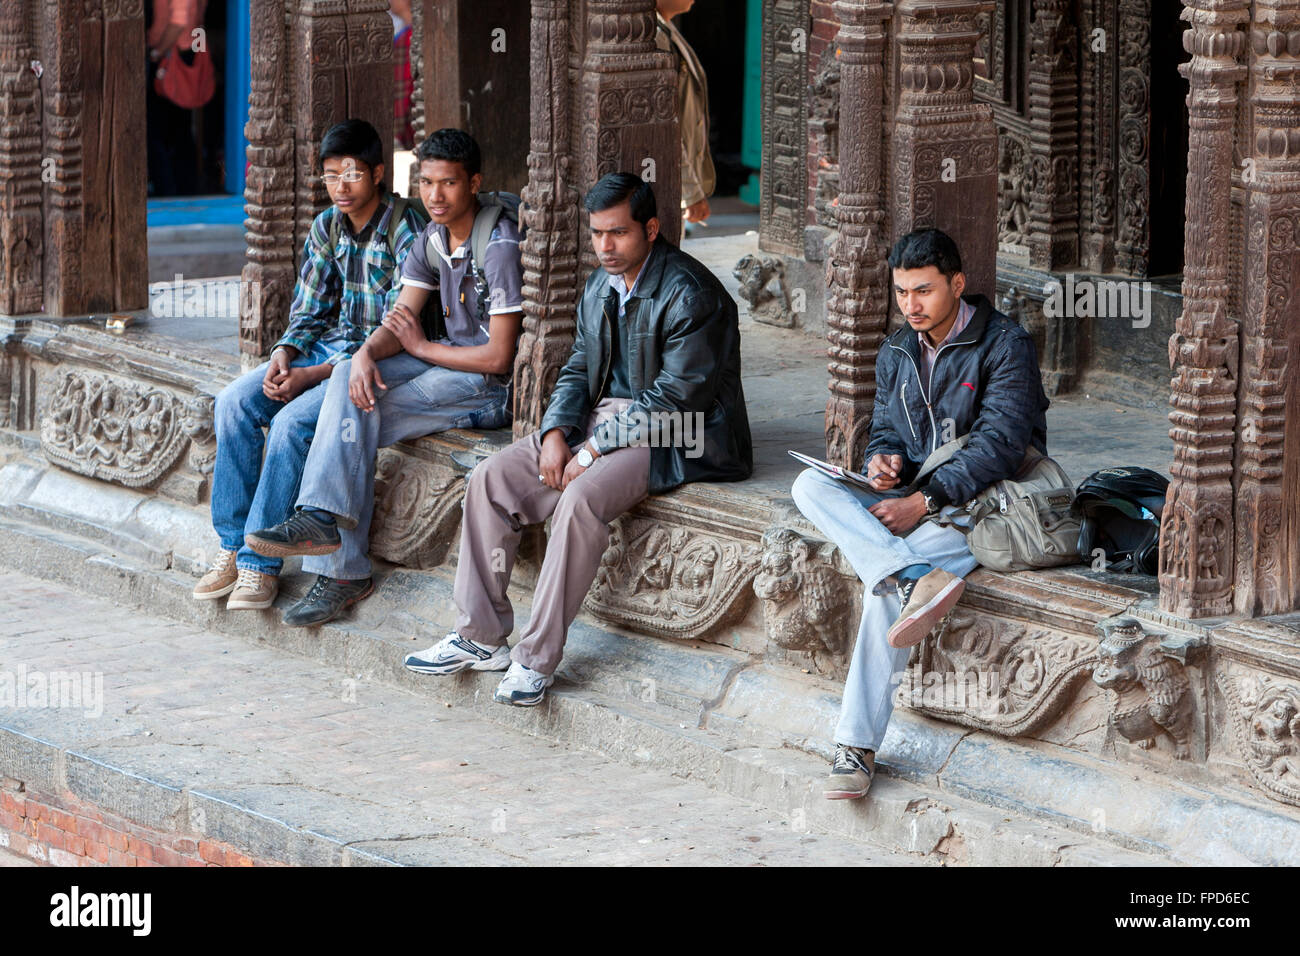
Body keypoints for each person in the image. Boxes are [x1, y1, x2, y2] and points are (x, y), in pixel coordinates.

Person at [403, 172, 752, 706]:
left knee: (581, 498)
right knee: (492, 477)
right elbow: (577, 368)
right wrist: (554, 434)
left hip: (680, 434)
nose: (606, 247)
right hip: (603, 424)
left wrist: (593, 449)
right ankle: (479, 636)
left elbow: (677, 399)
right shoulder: (599, 286)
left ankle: (534, 659)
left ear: (652, 229)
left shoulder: (692, 294)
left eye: (619, 234)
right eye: (597, 234)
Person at [790, 228, 1049, 800]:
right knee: (810, 484)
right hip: (912, 500)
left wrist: (924, 500)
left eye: (924, 291)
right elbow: (887, 428)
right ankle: (913, 577)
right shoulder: (897, 351)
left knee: (880, 592)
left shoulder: (1006, 345)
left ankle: (855, 746)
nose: (911, 305)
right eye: (903, 292)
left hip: (979, 509)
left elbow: (1001, 446)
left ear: (957, 284)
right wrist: (883, 462)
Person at [244, 129, 523, 627]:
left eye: (449, 184)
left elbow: (499, 357)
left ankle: (339, 561)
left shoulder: (497, 244)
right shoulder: (431, 238)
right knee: (352, 377)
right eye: (427, 182)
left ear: (474, 183)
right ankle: (323, 524)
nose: (435, 196)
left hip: (485, 387)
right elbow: (400, 317)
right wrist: (367, 353)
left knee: (352, 413)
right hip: (440, 362)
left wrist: (419, 348)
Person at [193, 119, 426, 612]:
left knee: (289, 424)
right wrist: (284, 354)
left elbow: (399, 324)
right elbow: (310, 310)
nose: (341, 186)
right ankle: (233, 547)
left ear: (378, 173)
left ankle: (260, 568)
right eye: (330, 176)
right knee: (235, 401)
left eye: (352, 174)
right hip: (324, 350)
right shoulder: (326, 227)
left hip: (377, 358)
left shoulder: (406, 227)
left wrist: (310, 376)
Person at [655, 0, 715, 231]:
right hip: (658, 178)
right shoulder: (655, 36)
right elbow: (663, 123)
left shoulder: (667, 28)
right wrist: (689, 192)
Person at [146, 0, 209, 195]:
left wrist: (156, 53)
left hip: (173, 54)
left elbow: (179, 21)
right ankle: (181, 188)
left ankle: (168, 190)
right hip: (180, 51)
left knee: (157, 131)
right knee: (178, 128)